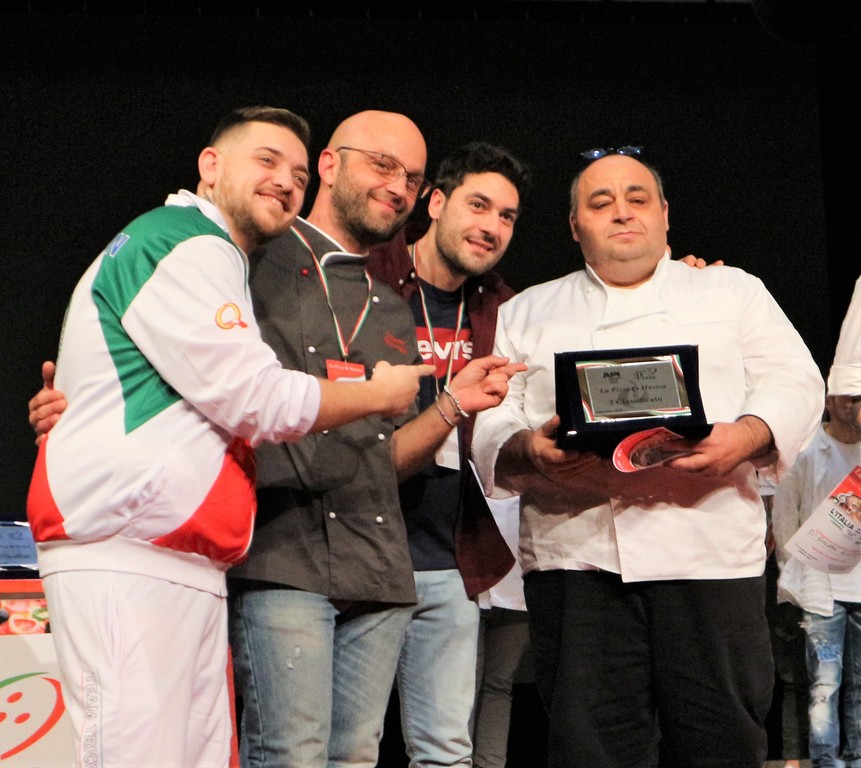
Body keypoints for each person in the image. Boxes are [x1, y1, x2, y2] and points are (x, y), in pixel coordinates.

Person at [23, 106, 438, 768]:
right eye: (266, 160)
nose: (285, 181)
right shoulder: (187, 243)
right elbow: (256, 399)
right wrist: (377, 394)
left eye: (295, 173)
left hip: (181, 553)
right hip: (127, 549)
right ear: (211, 165)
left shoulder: (214, 252)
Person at [470, 146, 824, 768]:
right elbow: (495, 411)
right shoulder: (527, 310)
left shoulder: (731, 290)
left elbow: (795, 379)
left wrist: (745, 435)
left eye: (637, 199)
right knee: (589, 751)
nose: (621, 212)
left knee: (723, 746)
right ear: (574, 225)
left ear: (664, 214)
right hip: (576, 562)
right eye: (600, 202)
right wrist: (530, 449)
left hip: (711, 557)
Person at [367, 142, 530, 767]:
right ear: (435, 202)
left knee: (447, 754)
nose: (491, 226)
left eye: (507, 216)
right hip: (360, 553)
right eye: (478, 205)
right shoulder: (365, 278)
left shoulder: (505, 310)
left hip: (447, 557)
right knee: (342, 749)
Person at [773, 390, 861, 768]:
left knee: (859, 684)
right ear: (830, 400)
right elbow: (784, 518)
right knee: (824, 684)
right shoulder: (807, 450)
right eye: (851, 397)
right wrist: (797, 572)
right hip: (821, 589)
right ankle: (825, 761)